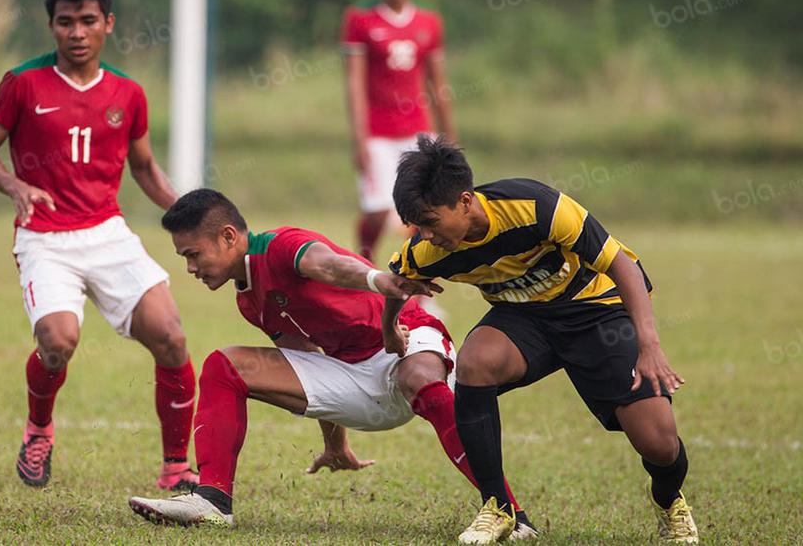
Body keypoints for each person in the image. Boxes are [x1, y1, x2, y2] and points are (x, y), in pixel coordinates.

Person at [127, 189, 535, 538]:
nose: (191, 268)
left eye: (193, 255)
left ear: (228, 236)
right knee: (223, 366)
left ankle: (511, 515)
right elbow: (311, 363)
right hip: (356, 380)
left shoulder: (281, 246)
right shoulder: (248, 300)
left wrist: (378, 280)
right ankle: (213, 501)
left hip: (405, 339)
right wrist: (335, 446)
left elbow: (328, 264)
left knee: (420, 378)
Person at [384, 135, 697, 544]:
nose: (425, 235)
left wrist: (649, 346)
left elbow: (622, 265)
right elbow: (398, 282)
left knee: (659, 442)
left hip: (595, 311)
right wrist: (391, 329)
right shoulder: (428, 251)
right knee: (475, 362)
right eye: (417, 226)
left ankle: (670, 501)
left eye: (431, 222)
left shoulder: (537, 208)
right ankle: (497, 506)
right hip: (524, 320)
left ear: (464, 201)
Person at [0, 0, 197, 492]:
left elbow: (144, 171)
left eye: (87, 21)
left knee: (172, 338)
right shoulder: (22, 83)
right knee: (57, 341)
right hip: (44, 237)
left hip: (108, 233)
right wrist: (14, 186)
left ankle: (176, 467)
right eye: (65, 21)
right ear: (50, 25)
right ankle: (39, 428)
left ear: (108, 24)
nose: (76, 32)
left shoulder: (128, 93)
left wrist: (194, 212)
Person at [341, 0, 456, 284]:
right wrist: (359, 139)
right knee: (377, 210)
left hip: (418, 131)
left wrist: (449, 137)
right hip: (377, 133)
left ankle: (417, 286)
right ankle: (363, 268)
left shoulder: (429, 23)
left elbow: (439, 85)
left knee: (423, 214)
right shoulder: (360, 20)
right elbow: (354, 84)